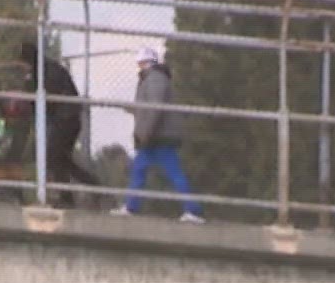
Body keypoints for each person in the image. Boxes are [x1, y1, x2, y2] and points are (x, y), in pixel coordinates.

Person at [116, 45, 202, 221]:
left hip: (157, 137)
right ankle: (132, 206)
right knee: (142, 171)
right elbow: (150, 108)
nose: (139, 66)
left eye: (140, 63)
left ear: (146, 62)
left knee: (168, 172)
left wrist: (145, 134)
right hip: (156, 136)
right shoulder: (154, 78)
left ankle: (192, 210)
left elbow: (154, 109)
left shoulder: (154, 79)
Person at [15, 39, 99, 205]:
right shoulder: (42, 70)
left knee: (53, 156)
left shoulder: (45, 71)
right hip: (65, 118)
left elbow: (45, 99)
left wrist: (29, 90)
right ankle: (92, 188)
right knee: (60, 159)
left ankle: (71, 196)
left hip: (66, 119)